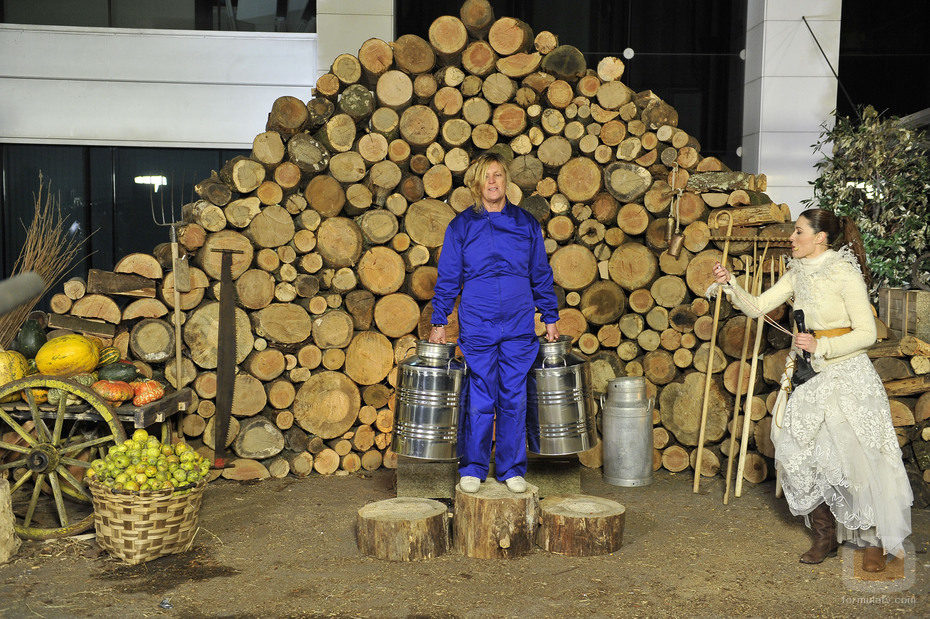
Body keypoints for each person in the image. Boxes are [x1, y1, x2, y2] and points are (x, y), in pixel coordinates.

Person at [710, 208, 912, 573]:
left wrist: (823, 347)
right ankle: (825, 534)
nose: (792, 238)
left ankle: (877, 539)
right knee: (794, 449)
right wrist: (731, 283)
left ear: (820, 237)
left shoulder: (844, 273)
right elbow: (756, 308)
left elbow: (868, 334)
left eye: (798, 232)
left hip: (846, 373)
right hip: (808, 374)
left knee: (859, 458)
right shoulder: (797, 271)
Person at [429, 152, 560, 495]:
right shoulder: (461, 226)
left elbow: (540, 273)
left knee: (514, 397)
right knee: (481, 397)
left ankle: (511, 469)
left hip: (518, 323)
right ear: (477, 183)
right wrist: (439, 319)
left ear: (506, 182)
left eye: (498, 175)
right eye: (486, 176)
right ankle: (473, 467)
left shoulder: (525, 223)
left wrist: (550, 316)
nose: (492, 181)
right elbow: (448, 277)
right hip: (479, 323)